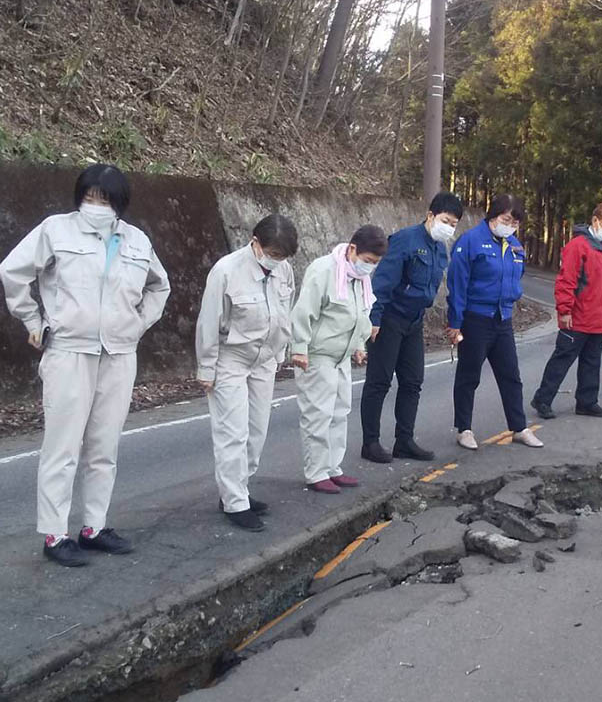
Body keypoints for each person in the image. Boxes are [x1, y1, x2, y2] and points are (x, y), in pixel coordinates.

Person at [0, 164, 170, 567]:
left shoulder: (137, 241)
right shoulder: (56, 230)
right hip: (69, 352)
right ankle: (55, 535)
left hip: (119, 355)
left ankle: (94, 527)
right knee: (62, 447)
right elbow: (12, 272)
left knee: (104, 446)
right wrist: (32, 320)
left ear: (119, 205)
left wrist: (137, 324)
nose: (96, 205)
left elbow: (160, 285)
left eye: (105, 199)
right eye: (89, 197)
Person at [196, 214, 299, 532]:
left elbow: (286, 309)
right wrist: (206, 367)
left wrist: (280, 352)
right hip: (231, 360)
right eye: (272, 254)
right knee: (232, 433)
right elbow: (209, 321)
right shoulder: (226, 271)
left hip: (264, 361)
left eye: (282, 257)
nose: (276, 261)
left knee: (257, 431)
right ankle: (234, 501)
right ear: (255, 243)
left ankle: (238, 488)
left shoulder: (284, 270)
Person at [359, 192, 464, 464]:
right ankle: (370, 442)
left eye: (454, 224)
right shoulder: (405, 241)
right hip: (390, 319)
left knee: (413, 382)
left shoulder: (440, 249)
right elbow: (382, 282)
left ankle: (404, 440)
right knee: (379, 382)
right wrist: (375, 319)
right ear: (430, 215)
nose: (449, 228)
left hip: (414, 321)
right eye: (445, 220)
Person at [290, 226, 388, 493]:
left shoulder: (359, 278)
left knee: (339, 412)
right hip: (318, 354)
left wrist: (359, 345)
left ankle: (333, 467)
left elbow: (359, 315)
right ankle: (316, 472)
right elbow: (304, 311)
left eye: (375, 264)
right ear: (353, 249)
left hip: (342, 356)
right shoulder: (324, 271)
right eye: (368, 261)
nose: (370, 267)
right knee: (318, 414)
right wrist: (299, 347)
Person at [447, 194, 544, 451]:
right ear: (492, 216)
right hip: (476, 319)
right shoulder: (470, 242)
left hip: (503, 319)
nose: (510, 226)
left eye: (515, 222)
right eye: (506, 220)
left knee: (511, 375)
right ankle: (464, 429)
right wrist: (455, 322)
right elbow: (457, 284)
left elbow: (516, 276)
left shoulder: (514, 245)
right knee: (469, 376)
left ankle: (519, 428)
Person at [531, 202, 602, 419]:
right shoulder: (578, 246)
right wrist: (564, 310)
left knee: (592, 362)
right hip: (576, 317)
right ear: (595, 221)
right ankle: (543, 399)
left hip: (599, 319)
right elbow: (566, 281)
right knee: (562, 359)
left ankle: (587, 401)